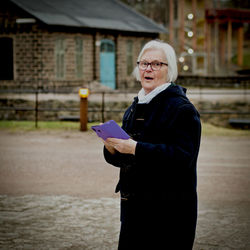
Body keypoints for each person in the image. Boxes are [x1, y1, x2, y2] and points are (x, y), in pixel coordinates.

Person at [102, 40, 201, 250]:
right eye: (144, 63)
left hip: (169, 212)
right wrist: (111, 147)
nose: (148, 69)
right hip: (134, 210)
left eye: (156, 64)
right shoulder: (135, 106)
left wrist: (135, 147)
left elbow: (183, 158)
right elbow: (126, 158)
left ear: (169, 70)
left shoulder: (182, 109)